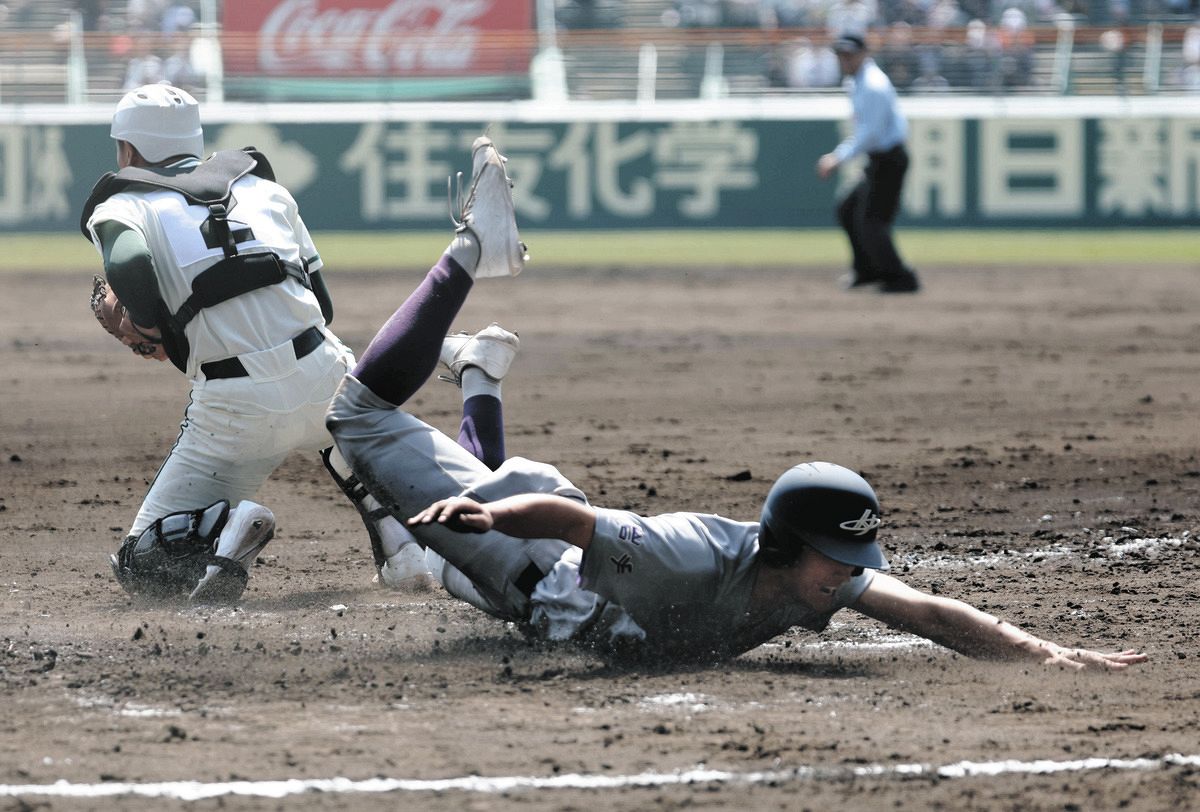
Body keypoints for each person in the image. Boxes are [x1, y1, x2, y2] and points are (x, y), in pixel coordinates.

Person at [326, 136, 1146, 671]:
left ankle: (478, 381)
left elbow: (928, 613)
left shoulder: (814, 578)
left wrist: (1043, 653)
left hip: (541, 557)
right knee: (356, 415)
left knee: (443, 569)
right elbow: (574, 526)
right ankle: (472, 256)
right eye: (840, 558)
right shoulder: (691, 555)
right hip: (529, 561)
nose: (854, 575)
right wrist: (488, 522)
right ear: (790, 549)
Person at [81, 83, 434, 603]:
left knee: (146, 571)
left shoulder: (125, 205)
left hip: (235, 409)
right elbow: (324, 305)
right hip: (327, 377)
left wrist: (155, 327)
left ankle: (228, 525)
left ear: (128, 150)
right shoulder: (267, 191)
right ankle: (401, 548)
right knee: (343, 439)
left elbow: (128, 263)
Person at [817, 33, 920, 294]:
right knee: (848, 208)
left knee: (872, 222)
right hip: (879, 159)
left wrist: (837, 157)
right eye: (841, 55)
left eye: (849, 55)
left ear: (864, 54)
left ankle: (901, 277)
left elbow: (870, 133)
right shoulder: (857, 82)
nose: (845, 60)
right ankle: (867, 271)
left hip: (889, 160)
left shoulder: (873, 85)